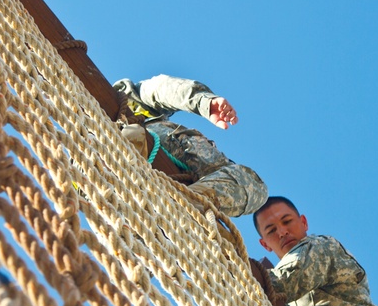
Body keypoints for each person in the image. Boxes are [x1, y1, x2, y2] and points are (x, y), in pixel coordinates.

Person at [113, 74, 267, 217]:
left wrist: (203, 102)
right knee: (131, 135)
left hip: (183, 153)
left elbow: (160, 89)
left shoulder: (122, 97)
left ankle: (191, 203)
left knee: (255, 187)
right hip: (124, 165)